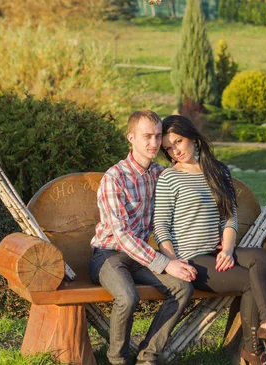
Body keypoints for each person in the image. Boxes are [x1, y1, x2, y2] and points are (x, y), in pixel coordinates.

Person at [153, 115, 266, 365]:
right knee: (252, 283)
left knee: (261, 257)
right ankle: (256, 351)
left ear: (193, 138)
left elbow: (230, 217)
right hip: (192, 259)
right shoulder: (169, 178)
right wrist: (173, 262)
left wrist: (228, 249)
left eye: (178, 141)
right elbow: (161, 227)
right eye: (168, 147)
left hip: (217, 251)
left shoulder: (218, 171)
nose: (174, 150)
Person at [89, 110, 197, 365]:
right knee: (127, 297)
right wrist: (165, 262)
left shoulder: (161, 174)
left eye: (158, 136)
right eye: (147, 136)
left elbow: (186, 205)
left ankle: (148, 357)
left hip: (140, 258)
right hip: (108, 256)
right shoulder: (114, 178)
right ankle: (118, 360)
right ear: (131, 137)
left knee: (182, 287)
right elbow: (123, 236)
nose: (154, 143)